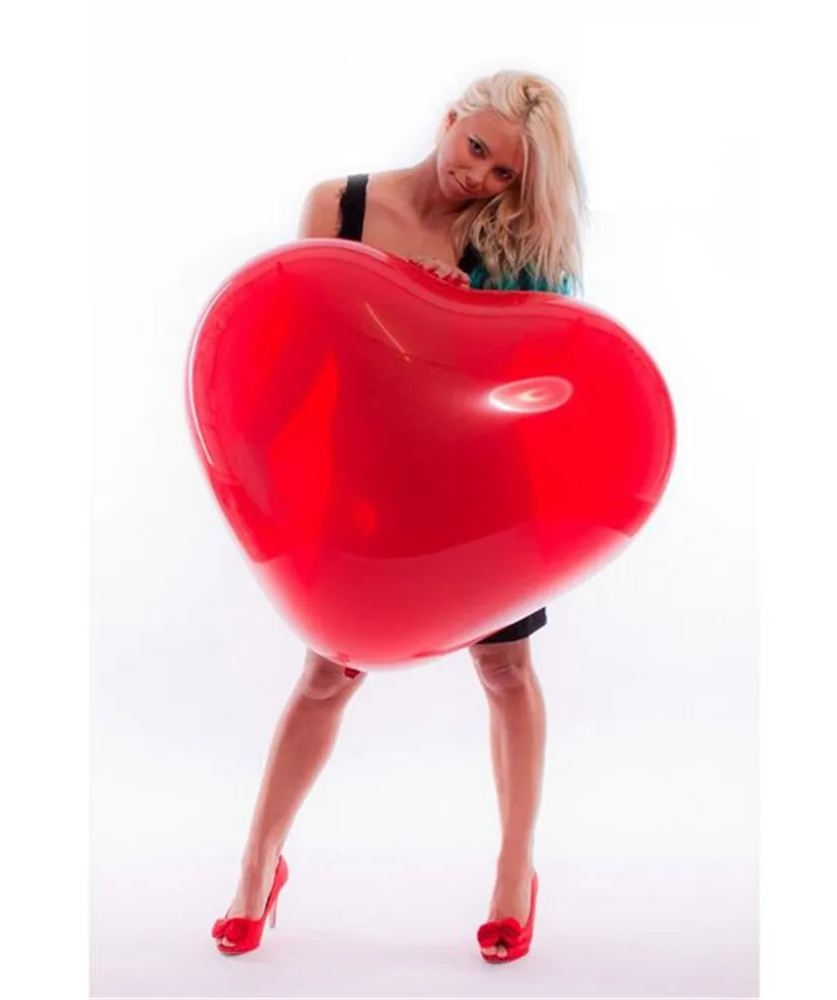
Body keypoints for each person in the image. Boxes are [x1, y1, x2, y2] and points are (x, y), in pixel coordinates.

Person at [211, 69, 587, 964]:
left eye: (504, 173)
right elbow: (302, 349)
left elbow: (539, 380)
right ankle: (257, 868)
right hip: (366, 477)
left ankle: (515, 871)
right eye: (477, 148)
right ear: (450, 118)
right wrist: (393, 312)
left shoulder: (512, 239)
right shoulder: (336, 206)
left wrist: (458, 318)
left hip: (484, 486)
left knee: (506, 667)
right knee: (328, 673)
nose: (479, 176)